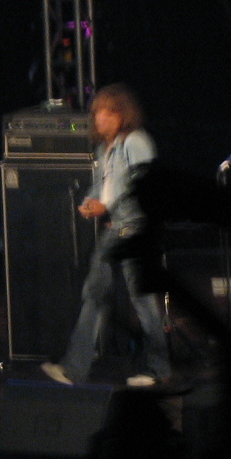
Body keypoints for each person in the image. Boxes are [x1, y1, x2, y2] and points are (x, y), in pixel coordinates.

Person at [42, 85, 171, 388]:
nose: (99, 118)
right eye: (96, 112)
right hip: (113, 233)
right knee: (94, 295)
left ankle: (159, 370)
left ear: (122, 114)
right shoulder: (104, 149)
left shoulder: (135, 141)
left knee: (144, 304)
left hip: (135, 230)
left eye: (107, 112)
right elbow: (101, 187)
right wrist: (90, 202)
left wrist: (107, 205)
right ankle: (74, 370)